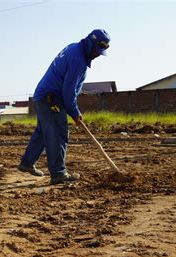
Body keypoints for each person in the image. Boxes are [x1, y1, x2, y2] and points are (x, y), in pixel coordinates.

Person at [18, 29, 110, 184]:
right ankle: (58, 173)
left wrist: (73, 108)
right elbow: (68, 92)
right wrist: (74, 112)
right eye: (96, 50)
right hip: (51, 99)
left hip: (43, 95)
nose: (97, 55)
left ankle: (27, 163)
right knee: (58, 133)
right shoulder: (78, 60)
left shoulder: (74, 48)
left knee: (43, 132)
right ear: (90, 43)